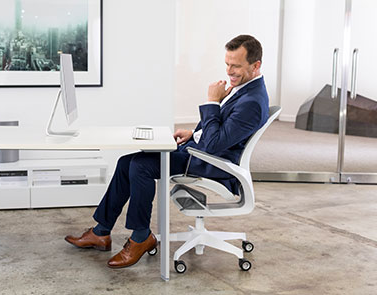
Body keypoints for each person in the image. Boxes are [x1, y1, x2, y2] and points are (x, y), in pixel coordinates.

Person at [65, 34, 269, 269]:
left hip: (210, 162)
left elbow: (215, 146)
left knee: (140, 166)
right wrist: (194, 133)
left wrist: (212, 102)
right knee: (125, 162)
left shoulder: (252, 101)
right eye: (227, 64)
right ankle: (101, 232)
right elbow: (226, 132)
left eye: (236, 66)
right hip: (200, 151)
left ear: (256, 66)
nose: (229, 71)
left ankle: (141, 237)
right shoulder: (244, 89)